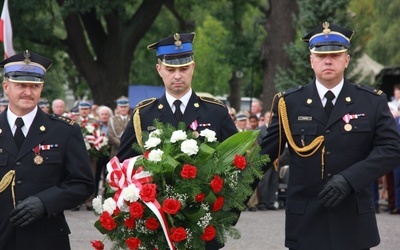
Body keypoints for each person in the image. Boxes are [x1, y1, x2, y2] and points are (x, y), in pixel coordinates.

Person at [259, 22, 400, 250]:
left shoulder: (371, 101)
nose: (328, 60)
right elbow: (262, 157)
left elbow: (393, 149)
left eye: (335, 55)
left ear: (346, 60)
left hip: (353, 221)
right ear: (311, 60)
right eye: (321, 55)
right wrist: (228, 200)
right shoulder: (289, 103)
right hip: (305, 223)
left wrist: (349, 179)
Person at [117, 32, 238, 250]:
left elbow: (238, 166)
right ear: (159, 69)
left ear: (193, 67)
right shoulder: (143, 114)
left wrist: (226, 215)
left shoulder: (215, 112)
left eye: (183, 68)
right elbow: (124, 166)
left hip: (204, 222)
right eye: (171, 69)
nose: (177, 75)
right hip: (156, 225)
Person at [0, 50, 94, 249]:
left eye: (34, 86)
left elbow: (82, 183)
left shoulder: (64, 131)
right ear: (6, 87)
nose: (28, 91)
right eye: (21, 85)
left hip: (46, 238)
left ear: (41, 89)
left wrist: (45, 202)